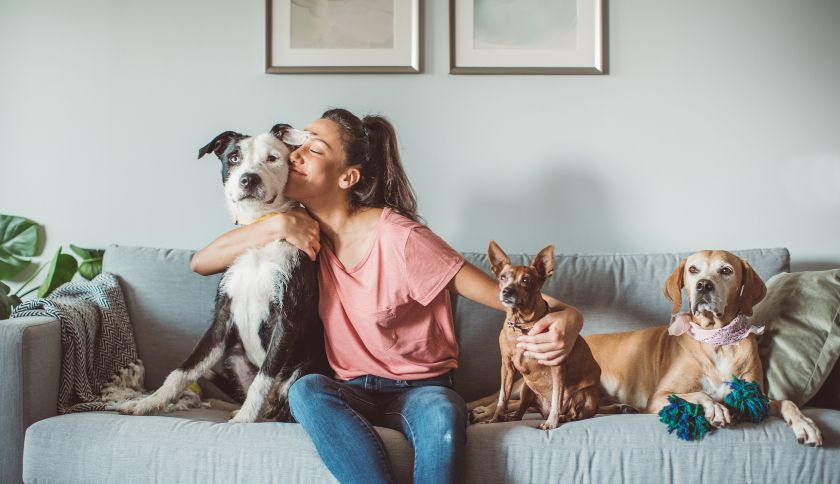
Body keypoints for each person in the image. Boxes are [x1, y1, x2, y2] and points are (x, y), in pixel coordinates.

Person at [190, 108, 583, 484]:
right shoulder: (299, 231)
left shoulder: (402, 239)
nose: (295, 154)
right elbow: (201, 262)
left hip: (421, 390)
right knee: (305, 390)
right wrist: (274, 225)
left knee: (444, 415)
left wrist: (571, 318)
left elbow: (508, 298)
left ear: (347, 177)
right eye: (297, 145)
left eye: (313, 148)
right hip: (350, 388)